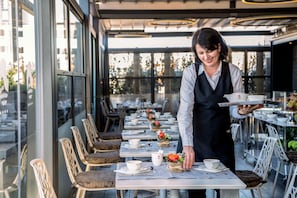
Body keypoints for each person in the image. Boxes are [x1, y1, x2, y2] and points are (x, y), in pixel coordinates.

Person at [177, 27, 261, 198]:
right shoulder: (190, 72)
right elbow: (185, 110)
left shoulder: (233, 72)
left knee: (227, 193)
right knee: (195, 194)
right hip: (195, 142)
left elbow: (234, 111)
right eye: (201, 53)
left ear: (219, 47)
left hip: (221, 142)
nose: (206, 56)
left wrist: (243, 111)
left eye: (210, 51)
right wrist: (187, 145)